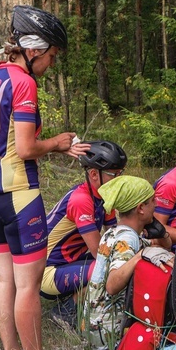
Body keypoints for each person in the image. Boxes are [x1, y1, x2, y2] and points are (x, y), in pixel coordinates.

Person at [0, 5, 89, 350]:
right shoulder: (25, 83)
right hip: (17, 195)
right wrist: (57, 142)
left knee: (3, 280)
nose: (51, 63)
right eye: (52, 55)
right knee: (28, 286)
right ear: (34, 49)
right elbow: (25, 148)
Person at [82, 176, 173, 350]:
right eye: (152, 201)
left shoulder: (115, 232)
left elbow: (163, 247)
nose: (156, 205)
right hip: (110, 338)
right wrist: (140, 255)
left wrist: (161, 233)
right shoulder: (128, 239)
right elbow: (112, 285)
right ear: (141, 208)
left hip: (94, 329)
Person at [42, 140, 128, 328]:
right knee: (107, 269)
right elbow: (100, 253)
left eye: (121, 173)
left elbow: (114, 234)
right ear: (93, 174)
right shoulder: (81, 200)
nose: (119, 179)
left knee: (117, 264)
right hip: (45, 271)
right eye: (114, 175)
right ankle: (65, 312)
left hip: (70, 262)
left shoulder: (104, 196)